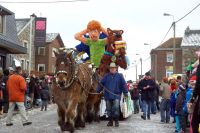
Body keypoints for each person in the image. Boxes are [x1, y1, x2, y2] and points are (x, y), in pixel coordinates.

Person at [96, 62, 128, 127]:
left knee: (116, 108)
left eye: (113, 68)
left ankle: (116, 121)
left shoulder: (120, 76)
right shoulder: (106, 76)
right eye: (111, 68)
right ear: (109, 69)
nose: (112, 69)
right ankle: (110, 121)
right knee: (108, 109)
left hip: (116, 95)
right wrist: (97, 90)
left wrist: (125, 92)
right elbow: (101, 84)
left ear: (116, 69)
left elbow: (124, 84)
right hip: (107, 96)